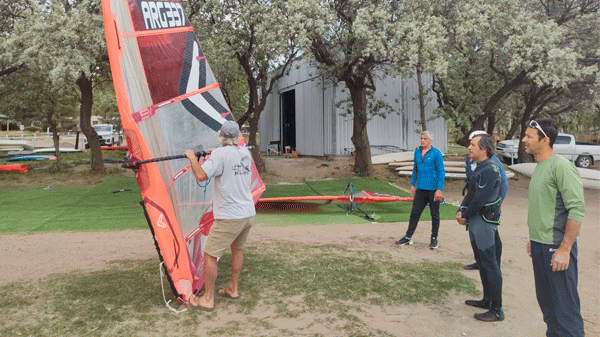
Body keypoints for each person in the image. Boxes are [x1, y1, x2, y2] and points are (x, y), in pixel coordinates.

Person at [184, 120, 255, 311]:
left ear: (221, 136)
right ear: (239, 136)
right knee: (237, 250)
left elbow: (200, 176)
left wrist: (192, 158)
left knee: (210, 254)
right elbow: (227, 158)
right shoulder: (244, 152)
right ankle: (233, 288)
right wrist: (215, 153)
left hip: (230, 216)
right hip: (247, 213)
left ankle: (207, 299)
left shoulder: (221, 155)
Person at [522, 119, 585, 336]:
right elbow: (545, 208)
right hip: (540, 245)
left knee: (565, 312)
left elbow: (576, 209)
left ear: (545, 140)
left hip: (556, 249)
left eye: (529, 136)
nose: (524, 140)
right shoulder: (540, 167)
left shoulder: (562, 167)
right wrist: (534, 238)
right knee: (549, 309)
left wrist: (565, 249)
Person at [456, 133, 504, 322]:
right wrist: (461, 210)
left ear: (484, 149)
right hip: (476, 221)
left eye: (473, 145)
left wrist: (465, 215)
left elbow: (480, 199)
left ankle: (497, 309)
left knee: (490, 264)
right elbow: (470, 193)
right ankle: (487, 300)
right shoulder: (480, 167)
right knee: (482, 263)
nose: (469, 147)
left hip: (484, 221)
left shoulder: (491, 168)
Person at [463, 131, 508, 271]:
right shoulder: (470, 159)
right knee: (477, 234)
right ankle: (479, 261)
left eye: (473, 143)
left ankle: (495, 263)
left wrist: (496, 203)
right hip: (477, 198)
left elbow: (503, 183)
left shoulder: (493, 162)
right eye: (470, 142)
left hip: (489, 203)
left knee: (493, 234)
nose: (470, 146)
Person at [396, 131, 445, 249]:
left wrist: (439, 189)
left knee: (434, 214)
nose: (422, 140)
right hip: (421, 189)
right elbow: (415, 169)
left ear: (430, 141)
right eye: (421, 138)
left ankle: (434, 239)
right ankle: (408, 237)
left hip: (433, 189)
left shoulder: (436, 153)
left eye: (425, 138)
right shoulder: (417, 153)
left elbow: (441, 172)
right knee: (414, 213)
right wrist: (413, 184)